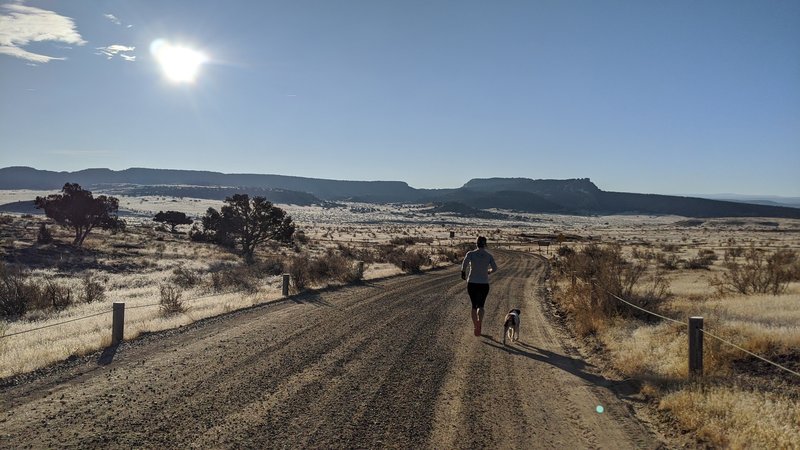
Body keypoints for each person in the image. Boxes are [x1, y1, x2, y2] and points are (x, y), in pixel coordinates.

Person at [461, 236, 498, 336]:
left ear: (476, 244)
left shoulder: (471, 254)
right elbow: (495, 268)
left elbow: (464, 263)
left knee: (473, 305)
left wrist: (463, 272)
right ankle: (480, 322)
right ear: (485, 244)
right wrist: (488, 271)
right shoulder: (488, 256)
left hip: (472, 283)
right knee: (481, 305)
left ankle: (475, 325)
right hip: (484, 283)